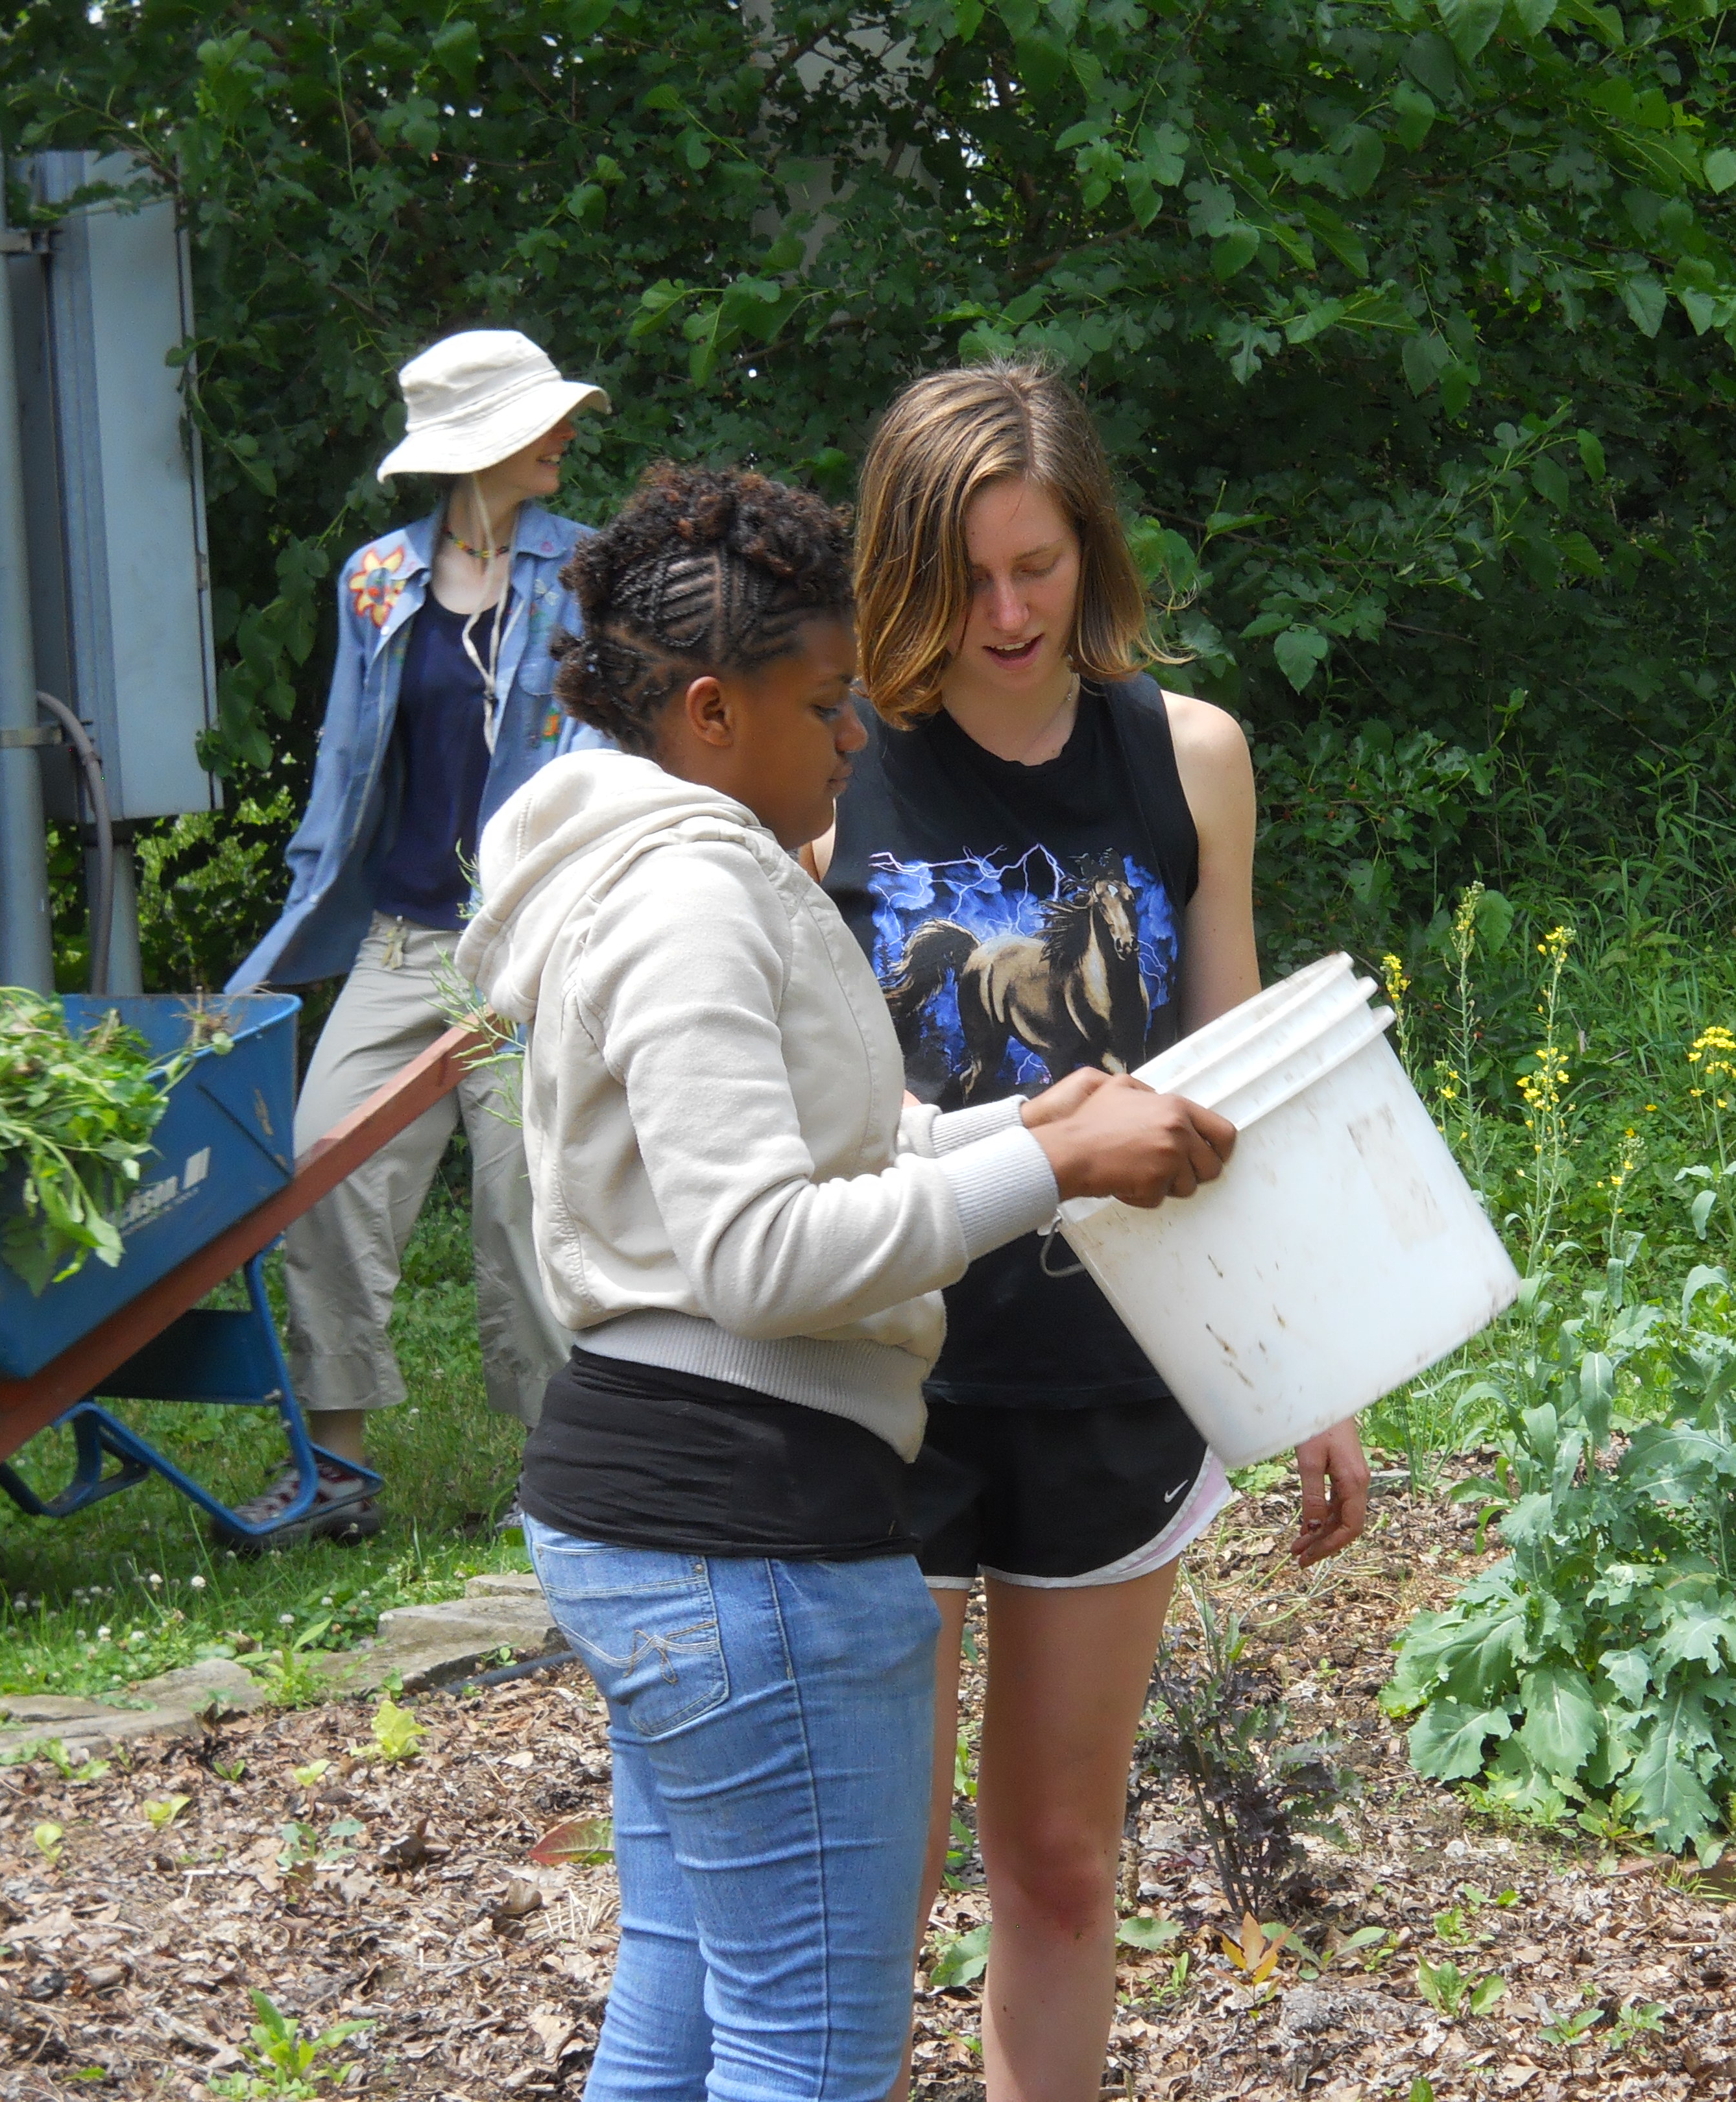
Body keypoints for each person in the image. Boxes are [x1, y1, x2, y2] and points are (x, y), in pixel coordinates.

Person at [455, 463, 1233, 2102]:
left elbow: (830, 1145)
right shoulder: (690, 902)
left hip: (670, 1515)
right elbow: (760, 1255)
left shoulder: (683, 871)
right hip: (750, 1542)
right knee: (808, 2058)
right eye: (825, 705)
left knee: (679, 2012)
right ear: (714, 713)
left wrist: (1029, 1120)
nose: (858, 736)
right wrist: (1052, 1174)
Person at [815, 360, 1371, 2102]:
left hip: (1113, 1375)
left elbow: (1237, 1088)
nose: (1005, 614)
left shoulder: (1187, 757)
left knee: (1059, 1859)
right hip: (884, 1384)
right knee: (874, 1881)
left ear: (1092, 554)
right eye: (965, 576)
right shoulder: (830, 770)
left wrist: (1311, 1370)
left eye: (1037, 568)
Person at [225, 330, 608, 1545]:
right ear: (481, 445)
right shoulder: (377, 581)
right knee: (322, 1163)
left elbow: (606, 748)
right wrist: (300, 915)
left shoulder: (588, 572)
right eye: (543, 420)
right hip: (402, 939)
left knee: (527, 1199)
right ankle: (335, 1467)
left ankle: (562, 1476)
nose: (566, 434)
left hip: (533, 941)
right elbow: (345, 768)